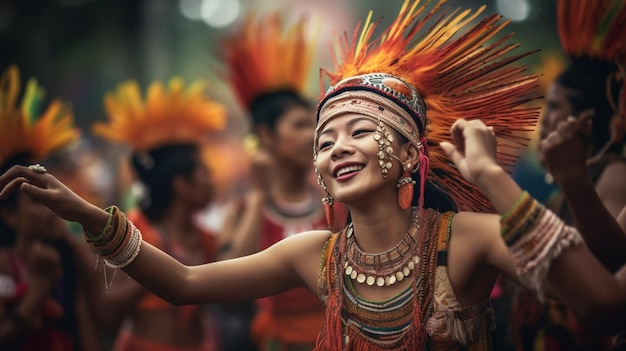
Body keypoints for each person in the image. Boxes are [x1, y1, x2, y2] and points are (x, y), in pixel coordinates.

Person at [2, 1, 615, 349]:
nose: (335, 148)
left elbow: (603, 304)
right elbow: (185, 283)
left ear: (407, 155)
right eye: (325, 140)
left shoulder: (467, 239)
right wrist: (88, 215)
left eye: (356, 131)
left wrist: (489, 174)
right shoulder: (315, 255)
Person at [217, 13, 346, 351]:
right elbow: (229, 296)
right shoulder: (243, 211)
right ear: (265, 136)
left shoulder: (336, 199)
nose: (312, 135)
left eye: (313, 125)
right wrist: (259, 196)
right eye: (299, 125)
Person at [511, 0, 626, 349]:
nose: (544, 119)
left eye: (557, 106)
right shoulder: (567, 188)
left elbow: (609, 273)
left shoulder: (616, 175)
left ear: (589, 119)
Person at [88, 77, 228, 351]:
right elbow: (105, 310)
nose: (212, 180)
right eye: (204, 172)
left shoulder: (205, 238)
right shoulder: (133, 232)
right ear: (181, 184)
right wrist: (152, 267)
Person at [0, 65, 101, 351]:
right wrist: (40, 288)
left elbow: (93, 324)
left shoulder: (65, 257)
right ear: (8, 214)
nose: (49, 207)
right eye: (35, 200)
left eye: (49, 195)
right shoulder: (5, 265)